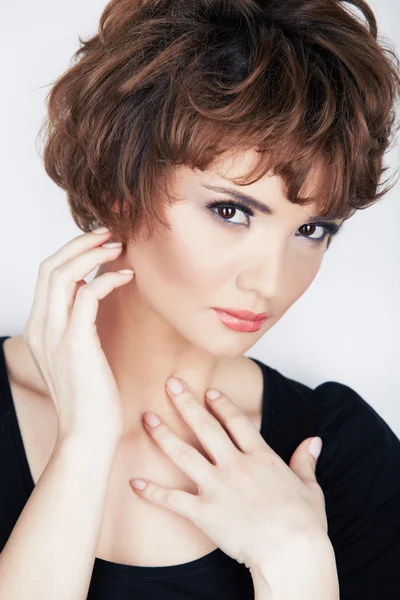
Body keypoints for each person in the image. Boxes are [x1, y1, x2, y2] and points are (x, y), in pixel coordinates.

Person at [1, 0, 400, 598]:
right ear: (119, 185)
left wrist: (298, 568)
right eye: (231, 211)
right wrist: (84, 446)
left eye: (313, 230)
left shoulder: (340, 454)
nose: (271, 280)